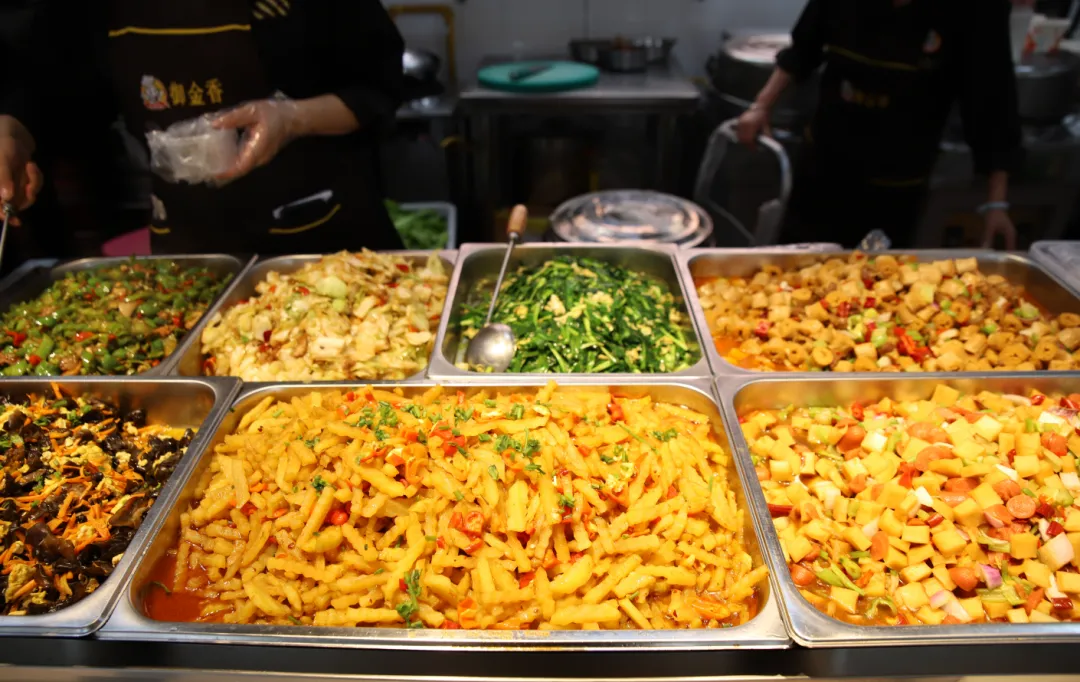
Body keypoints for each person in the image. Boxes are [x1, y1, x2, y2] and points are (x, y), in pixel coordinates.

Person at [0, 0, 407, 254]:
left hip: (324, 238)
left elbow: (378, 86)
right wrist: (13, 134)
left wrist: (291, 118)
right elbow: (49, 90)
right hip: (191, 252)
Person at [737, 0, 1023, 249]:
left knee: (875, 276)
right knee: (792, 268)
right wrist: (761, 106)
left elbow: (992, 102)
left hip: (896, 185)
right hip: (823, 166)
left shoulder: (976, 8)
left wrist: (996, 203)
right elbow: (803, 48)